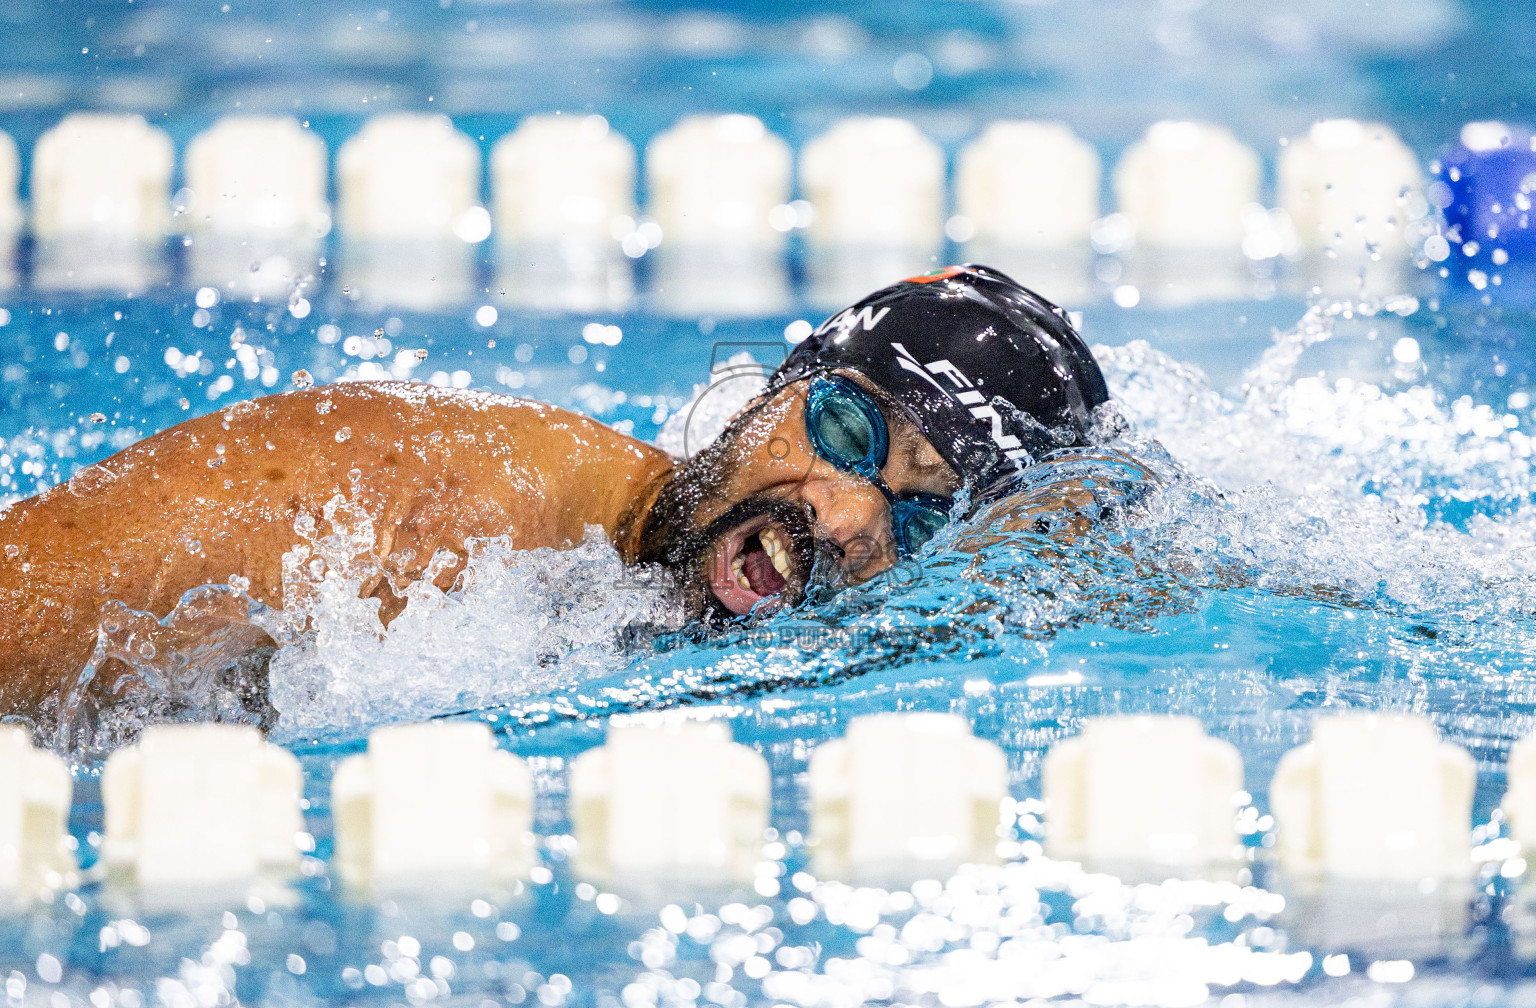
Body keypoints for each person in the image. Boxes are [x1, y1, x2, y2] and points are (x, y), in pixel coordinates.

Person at [0, 265, 1113, 721]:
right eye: (847, 425)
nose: (850, 513)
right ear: (776, 387)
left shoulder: (846, 651)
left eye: (921, 505)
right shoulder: (411, 494)